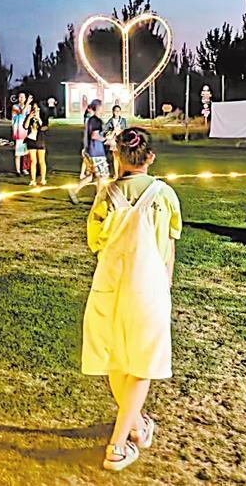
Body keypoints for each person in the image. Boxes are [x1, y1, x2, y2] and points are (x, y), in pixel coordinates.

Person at [82, 128, 182, 471]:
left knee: (115, 359)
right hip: (149, 288)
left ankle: (137, 425)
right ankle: (116, 446)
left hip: (109, 284)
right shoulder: (164, 194)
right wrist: (166, 281)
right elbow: (169, 243)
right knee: (142, 364)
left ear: (117, 156)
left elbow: (95, 242)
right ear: (150, 157)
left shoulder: (106, 195)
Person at [69, 99, 108, 204]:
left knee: (92, 176)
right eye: (102, 106)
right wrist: (106, 140)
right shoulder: (96, 121)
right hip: (97, 152)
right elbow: (95, 136)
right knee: (102, 176)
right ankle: (98, 199)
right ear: (98, 108)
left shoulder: (90, 120)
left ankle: (74, 191)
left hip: (91, 151)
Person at [23, 99, 49, 187]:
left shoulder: (43, 116)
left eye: (36, 108)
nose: (35, 110)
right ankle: (32, 180)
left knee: (41, 161)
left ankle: (43, 179)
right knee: (33, 161)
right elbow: (25, 127)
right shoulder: (29, 116)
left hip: (40, 140)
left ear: (40, 108)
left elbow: (44, 127)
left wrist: (39, 119)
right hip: (31, 141)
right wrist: (29, 118)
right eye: (33, 108)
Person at [11, 92, 30, 176]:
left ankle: (25, 168)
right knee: (18, 153)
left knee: (26, 152)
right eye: (19, 97)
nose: (21, 98)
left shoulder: (28, 107)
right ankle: (18, 170)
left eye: (23, 97)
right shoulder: (15, 107)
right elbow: (22, 113)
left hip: (26, 132)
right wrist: (27, 103)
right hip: (18, 132)